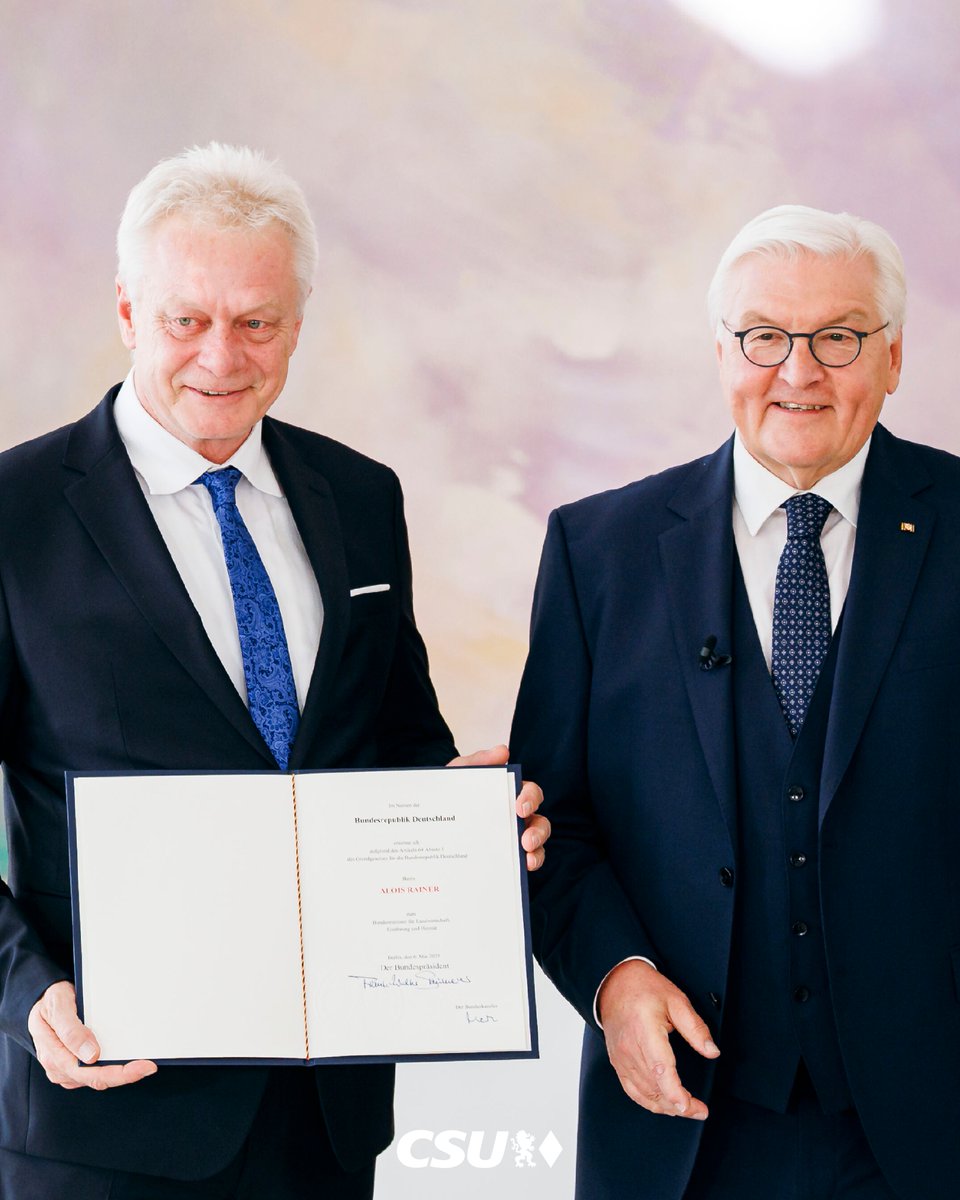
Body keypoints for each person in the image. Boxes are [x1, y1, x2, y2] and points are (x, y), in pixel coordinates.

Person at [0, 142, 548, 1199]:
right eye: (185, 320)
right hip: (107, 1111)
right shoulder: (15, 517)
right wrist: (25, 992)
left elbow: (393, 738)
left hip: (326, 1111)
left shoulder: (358, 495)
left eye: (256, 321)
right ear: (125, 311)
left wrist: (463, 820)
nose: (222, 354)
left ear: (297, 324)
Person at [510, 204, 960, 1200]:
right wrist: (613, 981)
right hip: (679, 1135)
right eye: (765, 336)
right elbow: (551, 825)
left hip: (932, 1131)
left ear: (891, 357)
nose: (798, 371)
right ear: (722, 352)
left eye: (838, 337)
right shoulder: (599, 553)